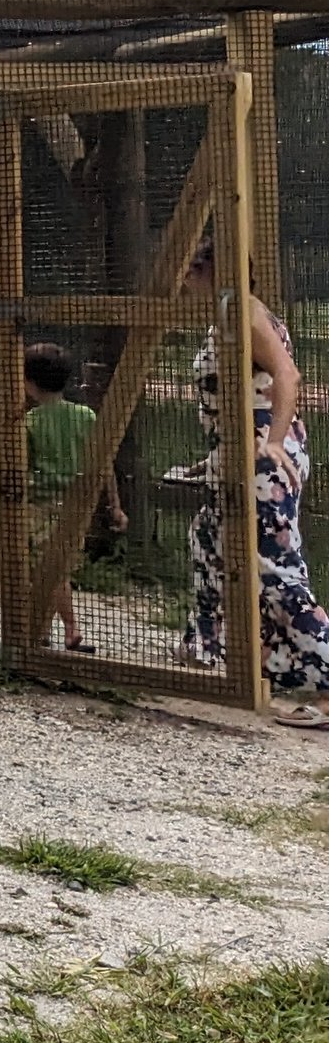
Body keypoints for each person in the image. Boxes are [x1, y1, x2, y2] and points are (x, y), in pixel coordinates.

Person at [174, 234, 329, 716]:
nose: (182, 280)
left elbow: (287, 376)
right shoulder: (224, 316)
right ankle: (227, 650)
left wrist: (275, 440)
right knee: (208, 537)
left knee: (274, 568)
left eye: (189, 270)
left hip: (264, 454)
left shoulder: (244, 310)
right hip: (237, 451)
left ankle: (325, 676)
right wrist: (213, 460)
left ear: (210, 270)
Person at [22, 341, 123, 654]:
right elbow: (105, 465)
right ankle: (55, 629)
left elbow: (22, 467)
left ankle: (56, 629)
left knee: (45, 571)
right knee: (59, 568)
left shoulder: (29, 423)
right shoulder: (86, 416)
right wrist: (115, 506)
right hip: (77, 505)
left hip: (39, 506)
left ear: (27, 382)